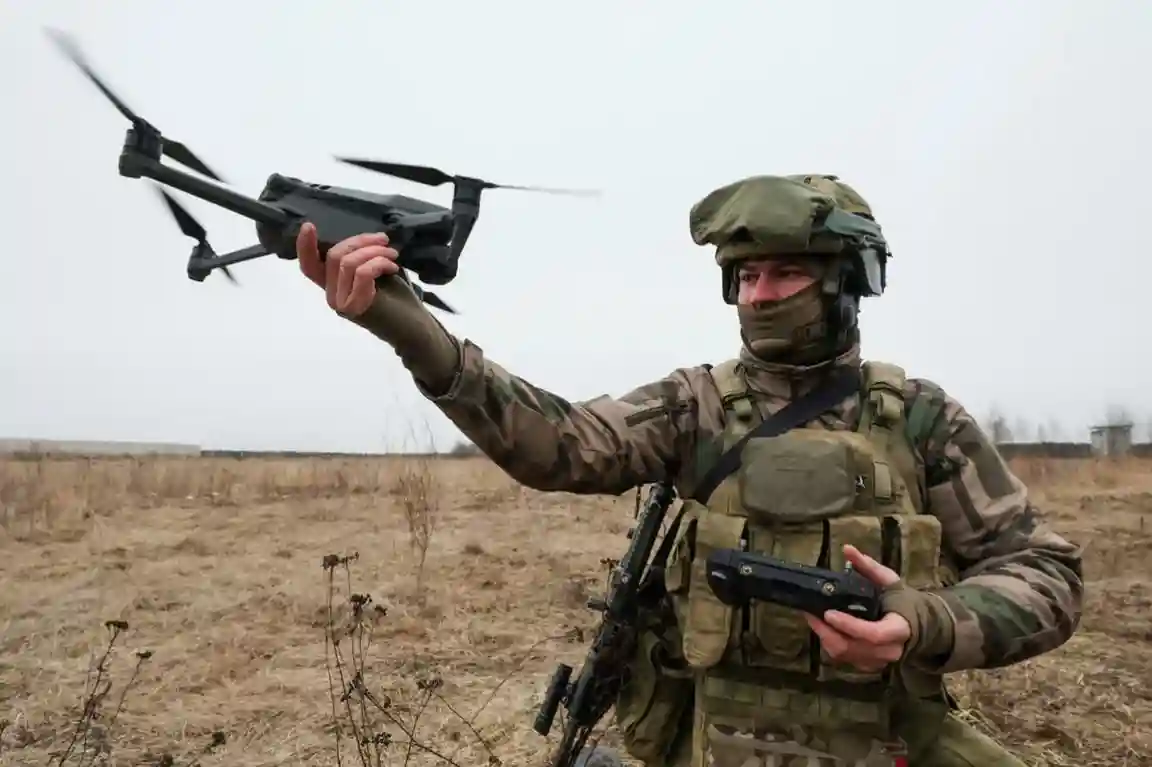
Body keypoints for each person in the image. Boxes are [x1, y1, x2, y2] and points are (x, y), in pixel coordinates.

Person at [296, 173, 1084, 767]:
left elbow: (1046, 573)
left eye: (784, 273)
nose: (759, 295)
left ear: (848, 279)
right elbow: (559, 442)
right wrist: (408, 326)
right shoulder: (697, 405)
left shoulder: (919, 419)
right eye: (745, 276)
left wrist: (924, 621)